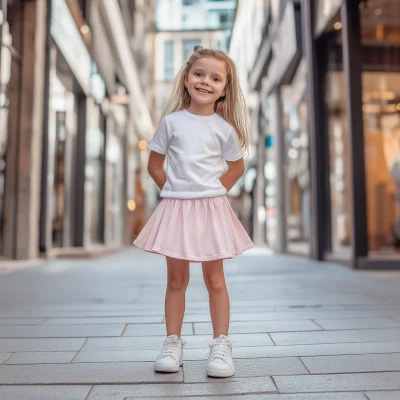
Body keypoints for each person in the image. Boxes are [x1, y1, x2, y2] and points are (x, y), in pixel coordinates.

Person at [134, 46, 254, 378]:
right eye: (199, 74)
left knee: (215, 278)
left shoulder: (224, 128)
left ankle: (221, 344)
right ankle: (172, 342)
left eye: (215, 78)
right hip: (177, 207)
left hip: (210, 208)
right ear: (186, 78)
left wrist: (214, 191)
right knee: (176, 278)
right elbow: (154, 164)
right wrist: (173, 190)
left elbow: (237, 167)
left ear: (225, 88)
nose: (205, 82)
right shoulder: (171, 122)